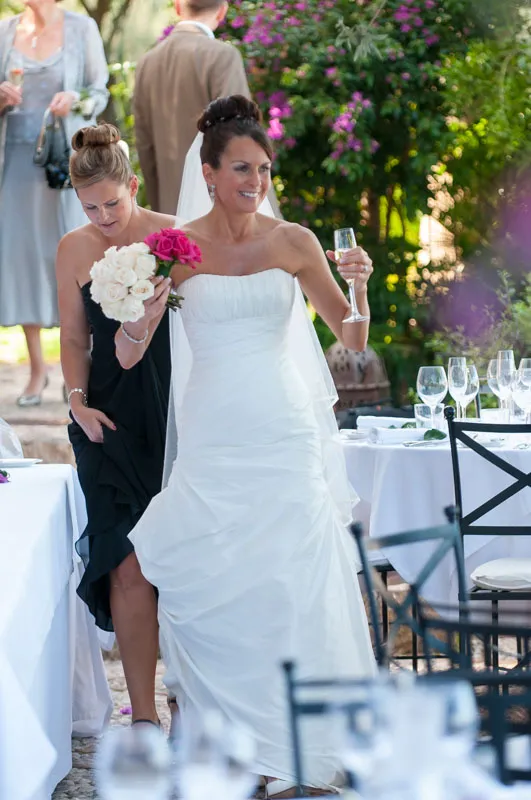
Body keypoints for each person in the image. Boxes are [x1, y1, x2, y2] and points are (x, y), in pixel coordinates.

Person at [121, 95, 376, 796]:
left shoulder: (292, 241)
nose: (255, 181)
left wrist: (359, 285)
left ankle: (300, 750)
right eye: (241, 169)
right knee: (216, 575)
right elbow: (129, 351)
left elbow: (350, 339)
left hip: (283, 424)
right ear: (208, 172)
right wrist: (137, 318)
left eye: (262, 170)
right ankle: (241, 742)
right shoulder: (174, 249)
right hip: (213, 429)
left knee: (290, 580)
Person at [56, 122, 180, 727]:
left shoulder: (172, 237)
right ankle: (144, 718)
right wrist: (76, 402)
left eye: (113, 201)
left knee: (182, 560)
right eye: (90, 206)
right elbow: (75, 337)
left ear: (134, 185)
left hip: (173, 409)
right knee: (126, 564)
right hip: (104, 415)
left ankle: (189, 697)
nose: (103, 216)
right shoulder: (73, 249)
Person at [0, 0, 109, 406]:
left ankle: (74, 370)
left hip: (65, 167)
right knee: (22, 259)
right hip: (13, 166)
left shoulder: (82, 28)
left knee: (70, 259)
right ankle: (36, 373)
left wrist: (74, 101)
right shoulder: (5, 31)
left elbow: (98, 93)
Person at [133, 0, 250, 215]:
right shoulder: (223, 56)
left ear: (178, 7)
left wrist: (159, 206)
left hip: (170, 207)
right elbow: (240, 136)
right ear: (222, 11)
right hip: (219, 208)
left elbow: (145, 147)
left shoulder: (146, 63)